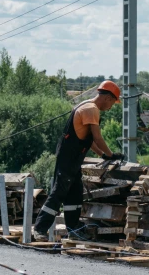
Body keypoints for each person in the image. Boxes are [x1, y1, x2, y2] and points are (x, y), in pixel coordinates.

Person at [32, 81, 125, 242]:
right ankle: (39, 228)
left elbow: (89, 141)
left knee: (75, 193)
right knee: (59, 192)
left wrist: (103, 155)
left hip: (72, 158)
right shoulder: (91, 110)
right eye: (112, 103)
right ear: (108, 98)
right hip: (69, 158)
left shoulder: (87, 105)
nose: (110, 107)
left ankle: (73, 228)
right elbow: (97, 137)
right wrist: (110, 155)